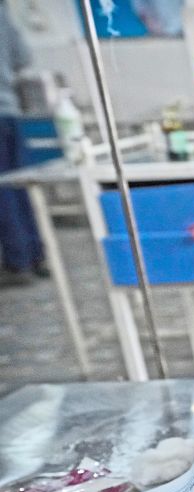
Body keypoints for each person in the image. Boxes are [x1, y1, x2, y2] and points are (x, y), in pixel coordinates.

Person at [0, 1, 44, 287]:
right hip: (9, 110)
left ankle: (19, 263)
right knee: (20, 186)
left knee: (4, 192)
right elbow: (22, 56)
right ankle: (35, 255)